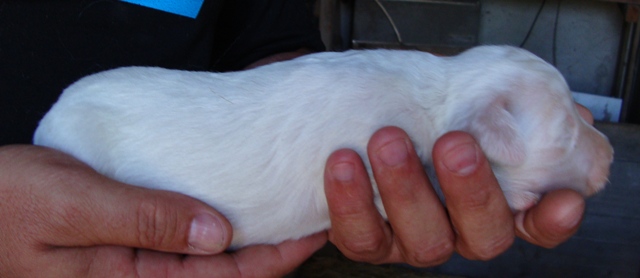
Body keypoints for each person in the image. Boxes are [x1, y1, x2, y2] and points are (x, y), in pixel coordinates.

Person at [0, 1, 591, 276]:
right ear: (495, 128)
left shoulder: (392, 99)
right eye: (567, 126)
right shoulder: (92, 117)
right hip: (90, 135)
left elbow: (271, 49)